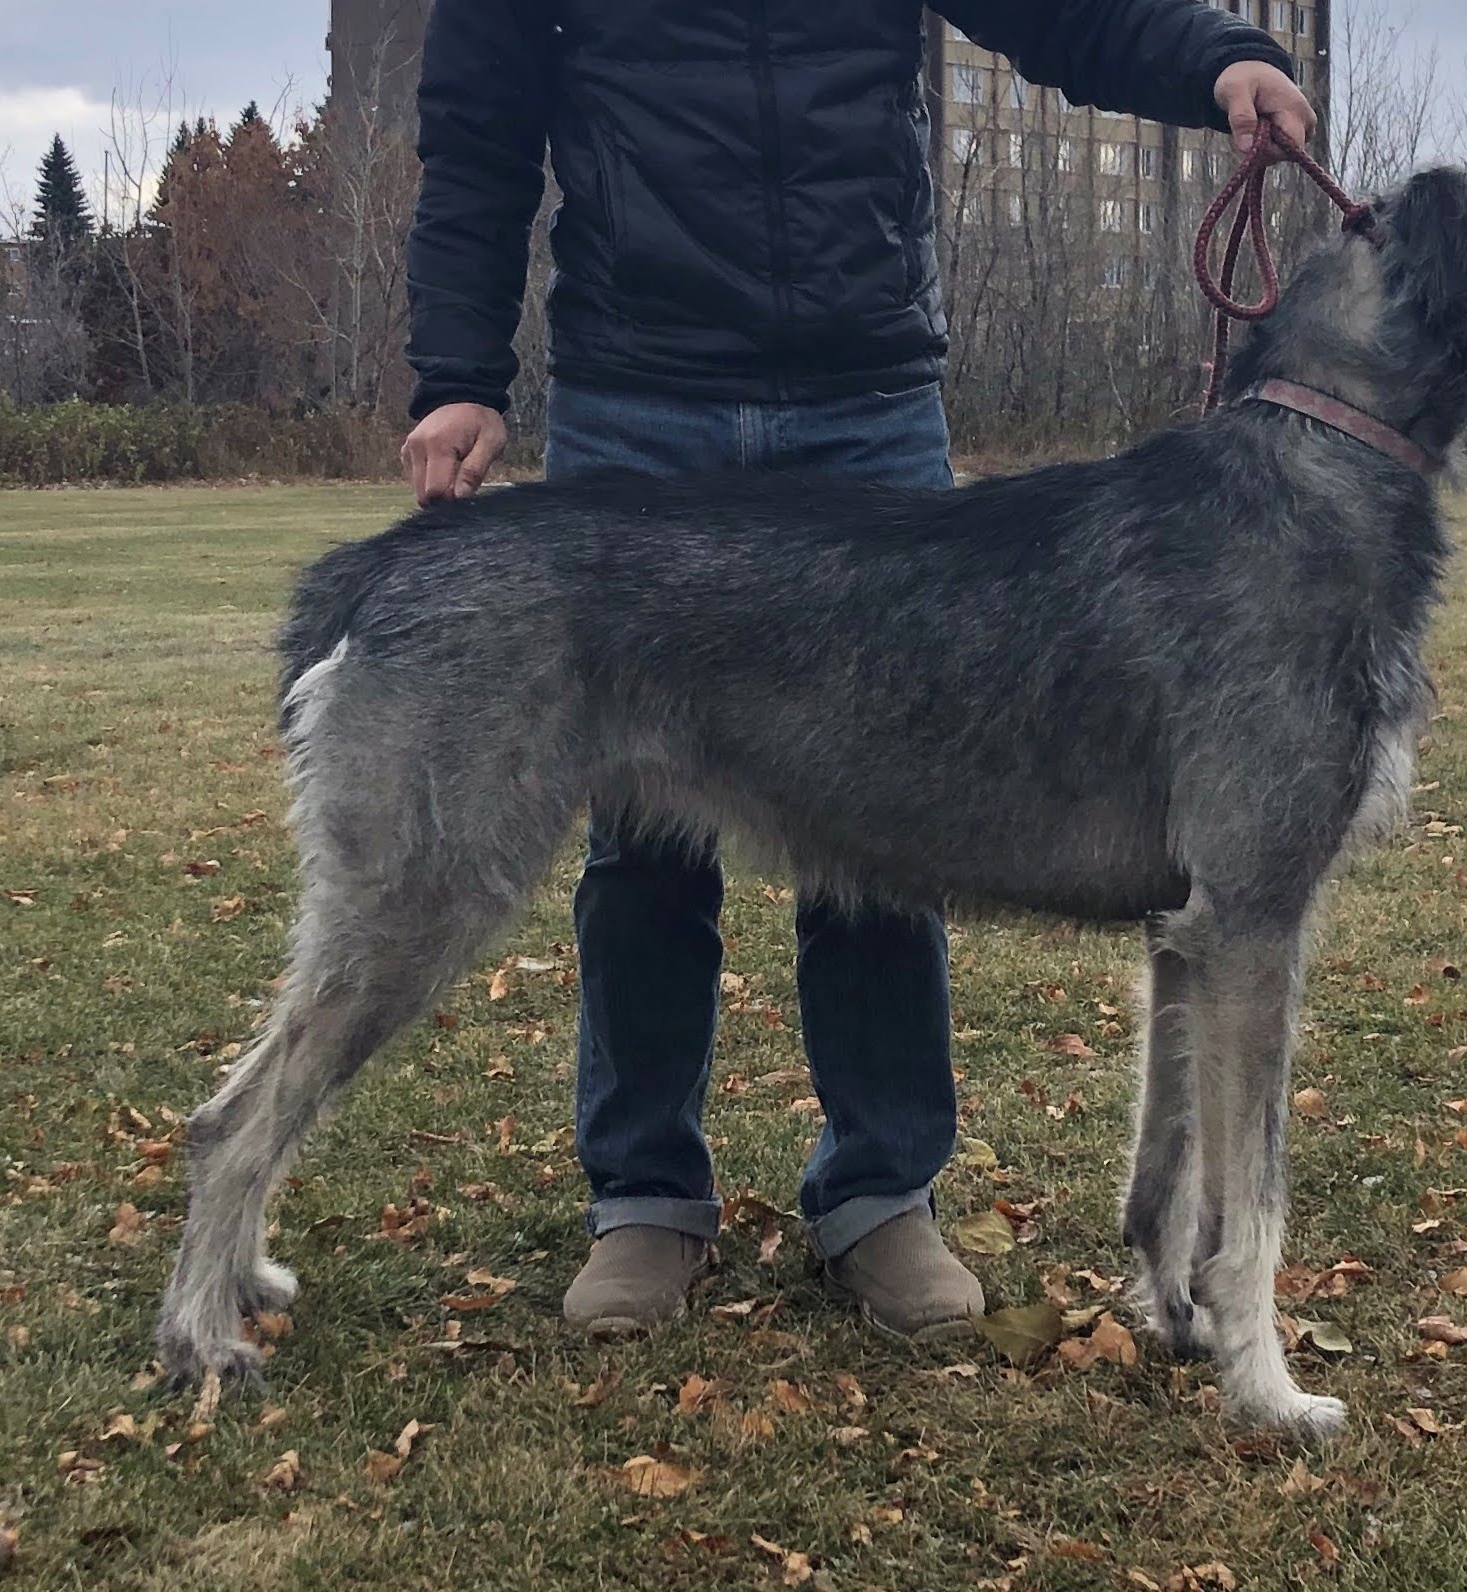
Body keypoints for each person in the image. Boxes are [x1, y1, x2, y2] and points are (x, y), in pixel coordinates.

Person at [398, 0, 1317, 1343]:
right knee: (642, 838)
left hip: (862, 397)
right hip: (640, 395)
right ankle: (644, 1196)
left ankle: (880, 1193)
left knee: (900, 810)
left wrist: (1221, 59)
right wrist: (456, 373)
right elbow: (477, 136)